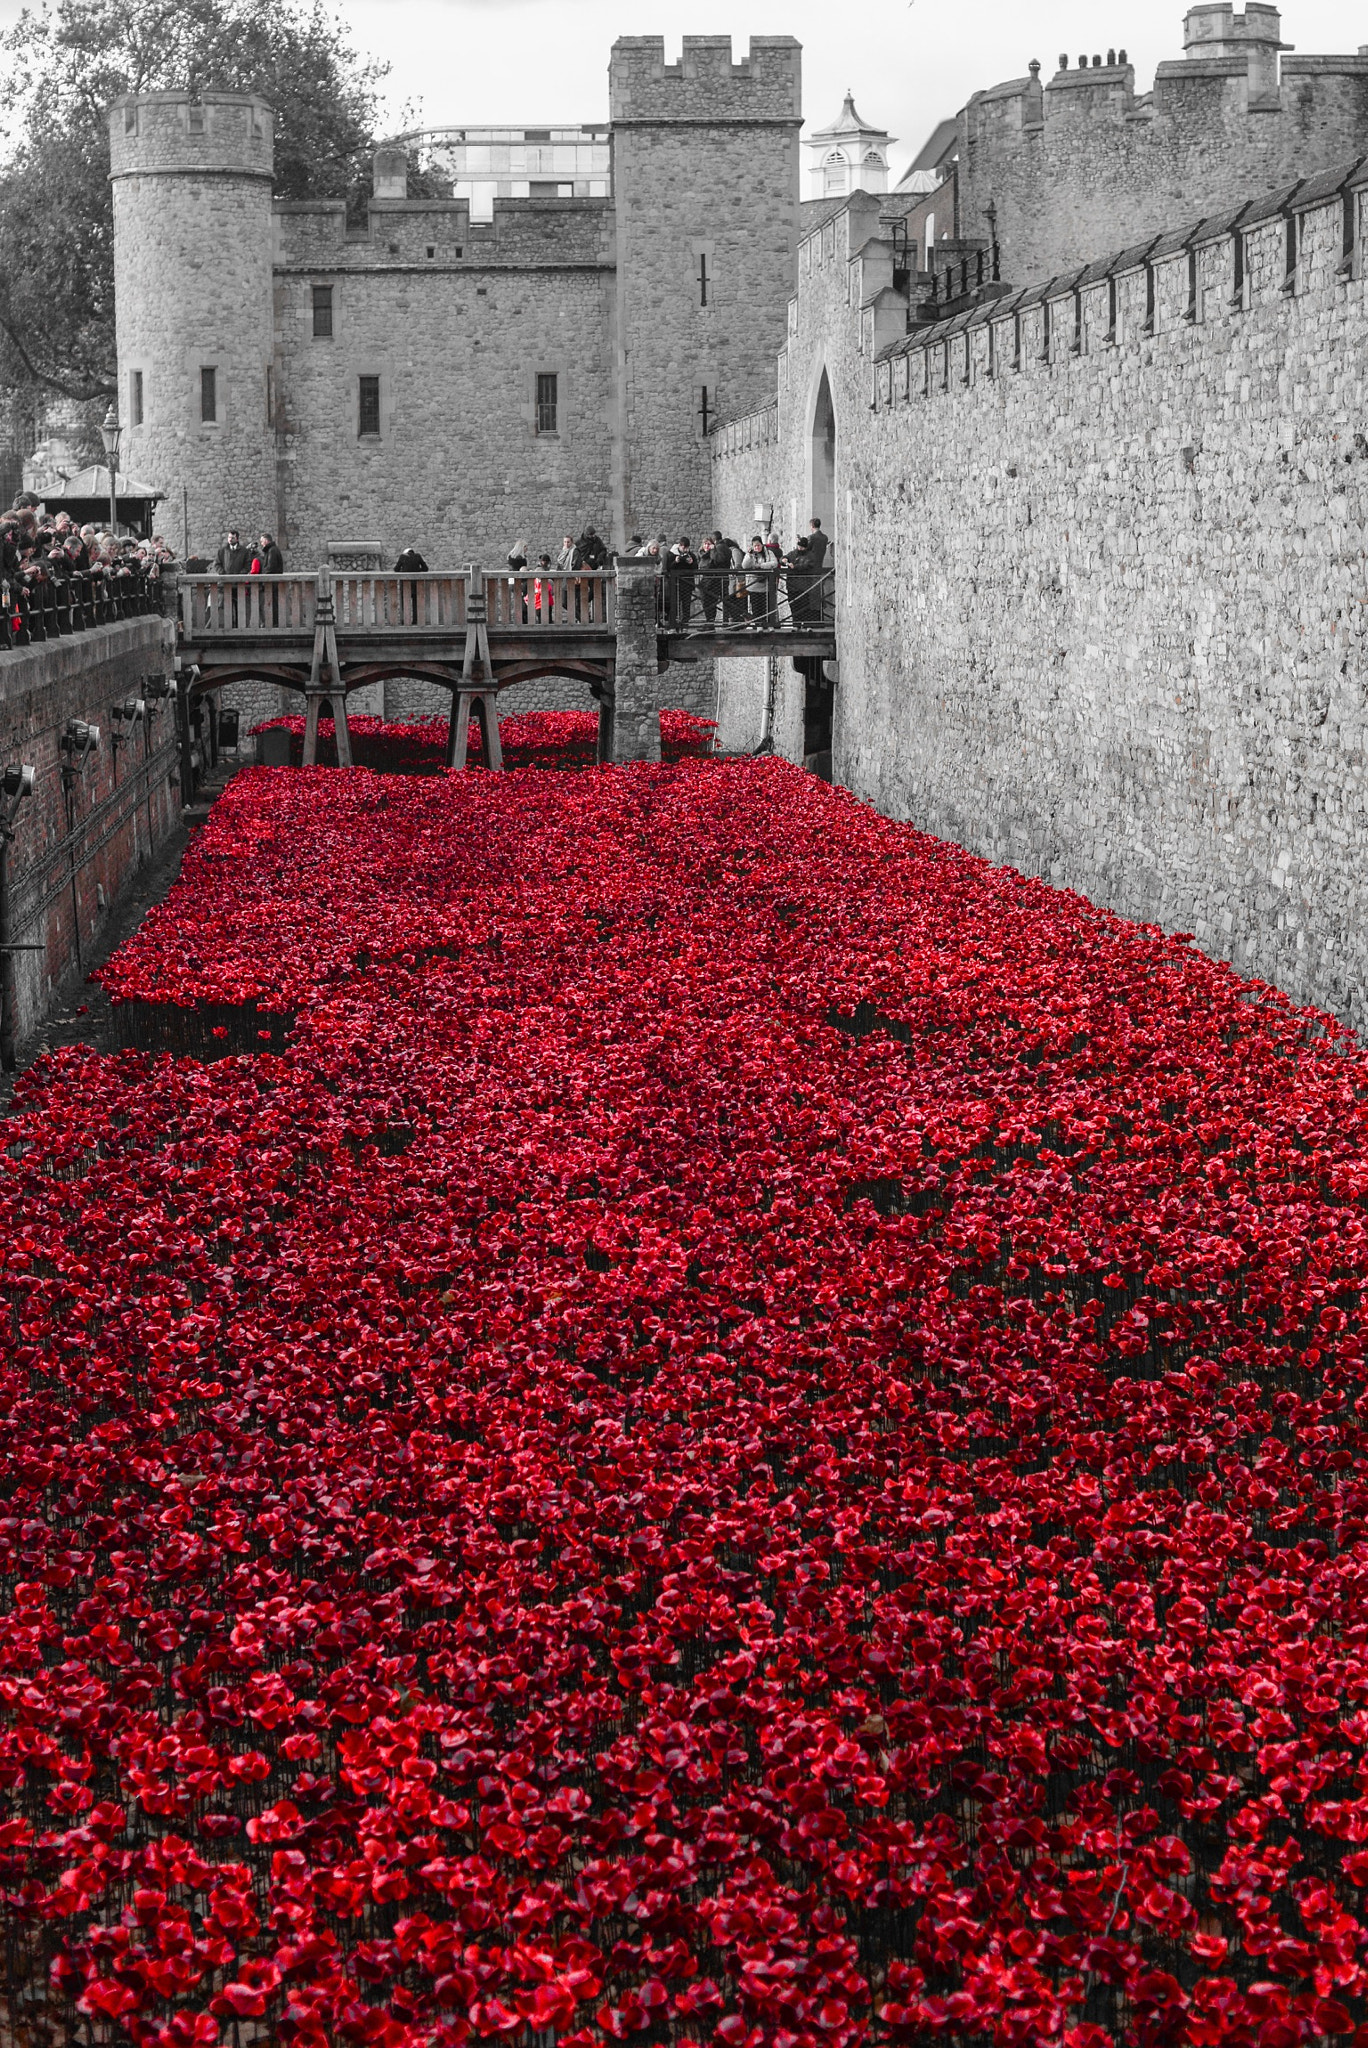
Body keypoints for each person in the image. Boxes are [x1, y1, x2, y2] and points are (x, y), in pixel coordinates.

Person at [667, 537, 697, 628]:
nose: (685, 550)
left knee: (686, 605)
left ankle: (685, 624)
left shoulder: (692, 555)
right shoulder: (671, 554)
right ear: (679, 546)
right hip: (676, 584)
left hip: (687, 584)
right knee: (675, 604)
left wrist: (692, 563)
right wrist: (675, 562)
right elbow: (668, 568)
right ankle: (674, 623)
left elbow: (696, 569)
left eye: (687, 548)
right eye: (683, 548)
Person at [394, 545, 428, 625]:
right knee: (416, 603)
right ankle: (416, 621)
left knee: (405, 603)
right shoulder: (418, 556)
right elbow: (425, 568)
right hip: (416, 584)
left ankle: (405, 621)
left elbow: (396, 569)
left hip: (405, 584)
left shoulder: (403, 557)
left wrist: (404, 570)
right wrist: (417, 570)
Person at [744, 537, 774, 627]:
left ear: (762, 544)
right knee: (756, 608)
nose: (757, 547)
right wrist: (749, 555)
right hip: (753, 585)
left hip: (765, 586)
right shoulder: (751, 554)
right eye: (755, 546)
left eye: (758, 545)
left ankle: (765, 626)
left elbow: (774, 563)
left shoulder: (768, 553)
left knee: (765, 608)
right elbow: (744, 565)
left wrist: (761, 566)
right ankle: (758, 626)